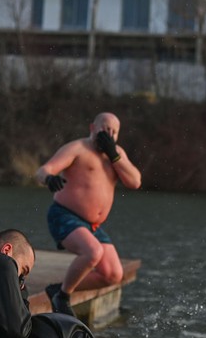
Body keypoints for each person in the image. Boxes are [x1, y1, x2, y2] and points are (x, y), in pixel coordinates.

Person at [35, 112, 142, 316]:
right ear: (93, 128)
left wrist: (114, 154)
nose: (109, 134)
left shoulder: (116, 154)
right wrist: (49, 179)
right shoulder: (78, 148)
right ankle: (63, 296)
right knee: (93, 252)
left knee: (113, 274)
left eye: (114, 132)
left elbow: (135, 182)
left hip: (92, 225)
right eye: (105, 129)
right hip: (64, 215)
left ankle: (59, 289)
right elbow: (43, 170)